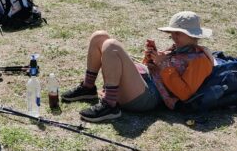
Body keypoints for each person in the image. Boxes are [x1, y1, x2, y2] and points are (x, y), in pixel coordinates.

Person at [61, 11, 214, 123]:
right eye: (172, 33)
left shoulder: (200, 60)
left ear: (193, 35)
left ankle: (110, 105)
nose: (173, 37)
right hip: (144, 81)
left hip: (150, 96)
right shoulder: (178, 48)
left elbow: (185, 94)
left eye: (178, 34)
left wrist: (163, 64)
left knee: (111, 45)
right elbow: (155, 69)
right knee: (99, 36)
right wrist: (151, 58)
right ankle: (88, 88)